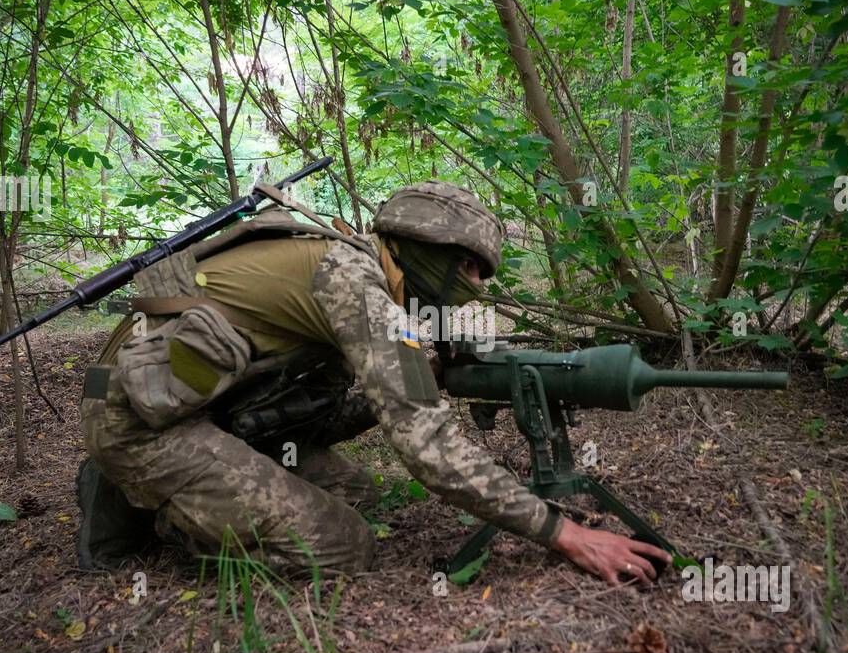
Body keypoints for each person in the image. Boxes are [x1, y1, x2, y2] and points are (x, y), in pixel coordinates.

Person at [75, 179, 669, 584]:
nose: (477, 287)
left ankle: (159, 483)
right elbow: (426, 448)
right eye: (468, 268)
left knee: (367, 496)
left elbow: (315, 415)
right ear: (424, 250)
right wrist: (564, 534)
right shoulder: (352, 281)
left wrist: (415, 380)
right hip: (139, 422)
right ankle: (154, 510)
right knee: (342, 546)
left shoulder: (351, 270)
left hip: (189, 406)